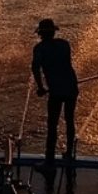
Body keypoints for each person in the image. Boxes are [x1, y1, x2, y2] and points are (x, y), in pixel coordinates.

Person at [31, 18, 79, 168]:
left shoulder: (39, 49)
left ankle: (49, 160)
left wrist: (40, 87)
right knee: (69, 120)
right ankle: (69, 153)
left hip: (56, 90)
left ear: (40, 34)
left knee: (52, 124)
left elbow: (35, 69)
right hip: (71, 86)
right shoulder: (64, 44)